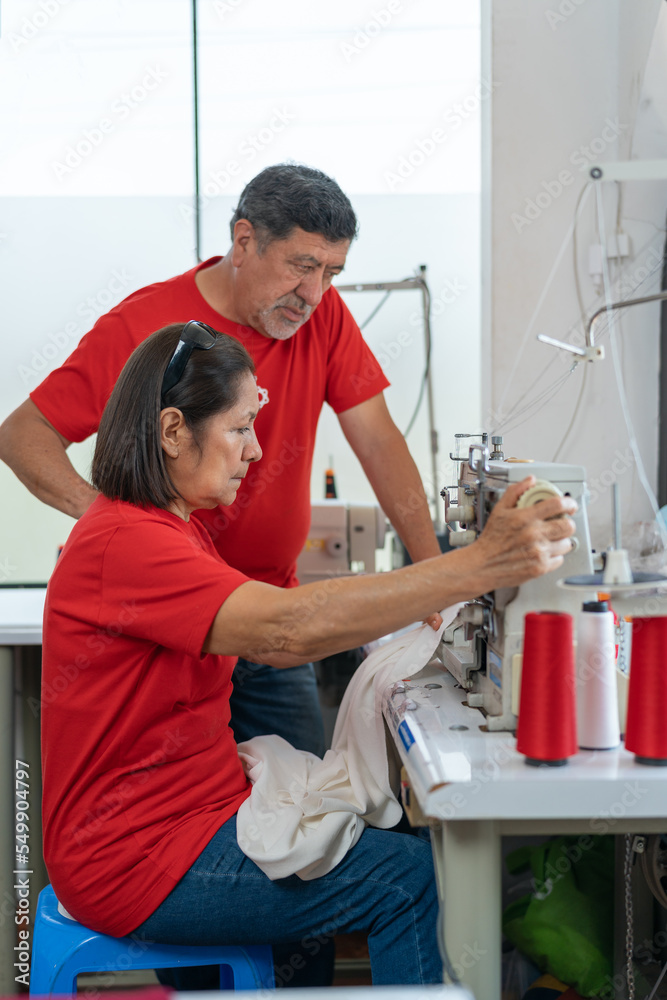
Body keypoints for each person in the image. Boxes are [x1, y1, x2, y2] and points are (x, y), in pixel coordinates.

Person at [41, 322, 576, 986]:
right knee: (406, 879)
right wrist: (476, 566)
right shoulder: (128, 543)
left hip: (181, 817)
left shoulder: (172, 528)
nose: (256, 449)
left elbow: (284, 635)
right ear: (174, 430)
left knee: (396, 843)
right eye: (239, 429)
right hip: (134, 858)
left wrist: (412, 612)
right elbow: (286, 633)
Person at [0, 162, 441, 762]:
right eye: (302, 267)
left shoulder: (324, 318)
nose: (314, 295)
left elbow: (380, 443)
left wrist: (435, 575)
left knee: (302, 814)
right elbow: (25, 433)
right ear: (243, 242)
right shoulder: (146, 326)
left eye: (332, 273)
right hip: (170, 635)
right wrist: (107, 522)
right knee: (190, 815)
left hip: (272, 627)